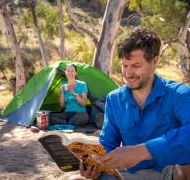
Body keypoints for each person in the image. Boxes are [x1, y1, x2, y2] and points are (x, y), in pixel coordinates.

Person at [78, 26, 190, 180]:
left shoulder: (179, 94)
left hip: (169, 173)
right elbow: (107, 144)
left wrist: (143, 151)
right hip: (128, 175)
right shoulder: (113, 99)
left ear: (155, 61)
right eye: (125, 66)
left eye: (136, 66)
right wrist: (94, 165)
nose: (128, 74)